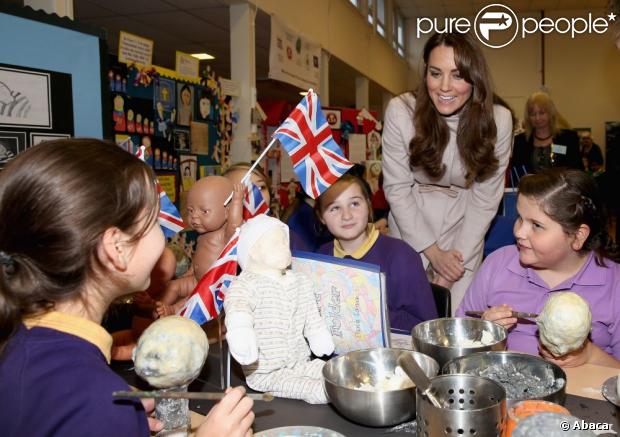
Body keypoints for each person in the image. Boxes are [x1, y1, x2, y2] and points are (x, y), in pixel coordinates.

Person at [0, 139, 254, 436]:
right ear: (116, 248)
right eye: (155, 221)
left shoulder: (21, 342)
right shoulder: (97, 401)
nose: (166, 234)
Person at [382, 32, 513, 311]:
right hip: (411, 224)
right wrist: (430, 251)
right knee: (407, 318)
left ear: (474, 77)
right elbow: (396, 187)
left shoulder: (498, 121)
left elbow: (486, 198)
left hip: (466, 227)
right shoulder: (400, 111)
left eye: (457, 75)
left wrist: (453, 263)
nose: (444, 86)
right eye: (435, 73)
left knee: (457, 318)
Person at [457, 169, 620, 369]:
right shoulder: (498, 263)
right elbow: (457, 339)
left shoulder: (614, 285)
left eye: (536, 225)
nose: (519, 232)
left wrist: (590, 355)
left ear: (578, 236)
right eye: (520, 218)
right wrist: (481, 333)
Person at [224, 215, 335, 404]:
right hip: (267, 372)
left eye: (285, 240)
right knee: (317, 390)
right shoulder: (245, 285)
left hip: (301, 362)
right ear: (252, 252)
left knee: (335, 373)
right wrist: (240, 332)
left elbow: (311, 316)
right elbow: (238, 309)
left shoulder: (300, 281)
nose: (285, 245)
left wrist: (318, 335)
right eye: (276, 242)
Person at [315, 174, 438, 331]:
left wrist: (365, 313)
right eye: (335, 208)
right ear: (321, 217)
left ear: (368, 205)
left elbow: (427, 328)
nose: (346, 215)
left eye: (354, 203)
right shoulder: (320, 258)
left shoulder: (401, 257)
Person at [155, 176, 243, 317]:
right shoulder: (203, 233)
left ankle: (172, 311)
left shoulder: (225, 235)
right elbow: (200, 256)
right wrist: (191, 270)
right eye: (190, 211)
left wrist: (237, 202)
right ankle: (157, 310)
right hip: (196, 279)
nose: (194, 217)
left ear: (227, 211)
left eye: (204, 211)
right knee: (173, 286)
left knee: (192, 299)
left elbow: (235, 225)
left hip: (212, 285)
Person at [223, 162, 310, 251]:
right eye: (240, 190)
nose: (255, 196)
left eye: (261, 187)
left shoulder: (287, 238)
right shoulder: (215, 245)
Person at [511, 91, 582, 173]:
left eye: (541, 113)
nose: (537, 118)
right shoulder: (520, 141)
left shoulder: (568, 138)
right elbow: (516, 171)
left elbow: (577, 170)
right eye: (532, 114)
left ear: (550, 113)